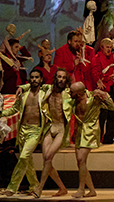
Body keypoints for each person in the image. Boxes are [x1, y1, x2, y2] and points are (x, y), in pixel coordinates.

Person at [1, 68, 48, 196]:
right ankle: (34, 186)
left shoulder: (45, 93)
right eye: (32, 77)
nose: (34, 80)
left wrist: (23, 85)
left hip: (35, 130)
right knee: (28, 161)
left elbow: (55, 86)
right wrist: (0, 114)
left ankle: (12, 187)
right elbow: (14, 109)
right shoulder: (24, 94)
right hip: (22, 130)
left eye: (37, 77)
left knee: (23, 157)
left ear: (41, 79)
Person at [69, 81, 114, 198]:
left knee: (81, 159)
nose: (69, 93)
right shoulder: (74, 100)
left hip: (90, 132)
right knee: (80, 163)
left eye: (72, 92)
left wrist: (104, 94)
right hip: (79, 132)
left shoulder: (94, 98)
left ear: (79, 93)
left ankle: (81, 189)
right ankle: (92, 190)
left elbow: (111, 107)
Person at [35, 68, 72, 197]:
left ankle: (39, 188)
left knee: (48, 157)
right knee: (46, 159)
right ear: (55, 78)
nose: (61, 79)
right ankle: (62, 188)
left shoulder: (68, 93)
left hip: (61, 128)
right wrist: (22, 88)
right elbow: (33, 83)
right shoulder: (48, 90)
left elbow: (83, 92)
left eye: (63, 77)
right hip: (50, 127)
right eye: (59, 77)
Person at [92, 38, 114, 144]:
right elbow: (95, 73)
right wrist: (104, 79)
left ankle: (109, 138)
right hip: (102, 89)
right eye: (107, 47)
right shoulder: (97, 58)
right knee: (102, 114)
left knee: (113, 113)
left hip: (110, 88)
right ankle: (98, 138)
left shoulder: (112, 57)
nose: (109, 49)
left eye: (110, 47)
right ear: (102, 47)